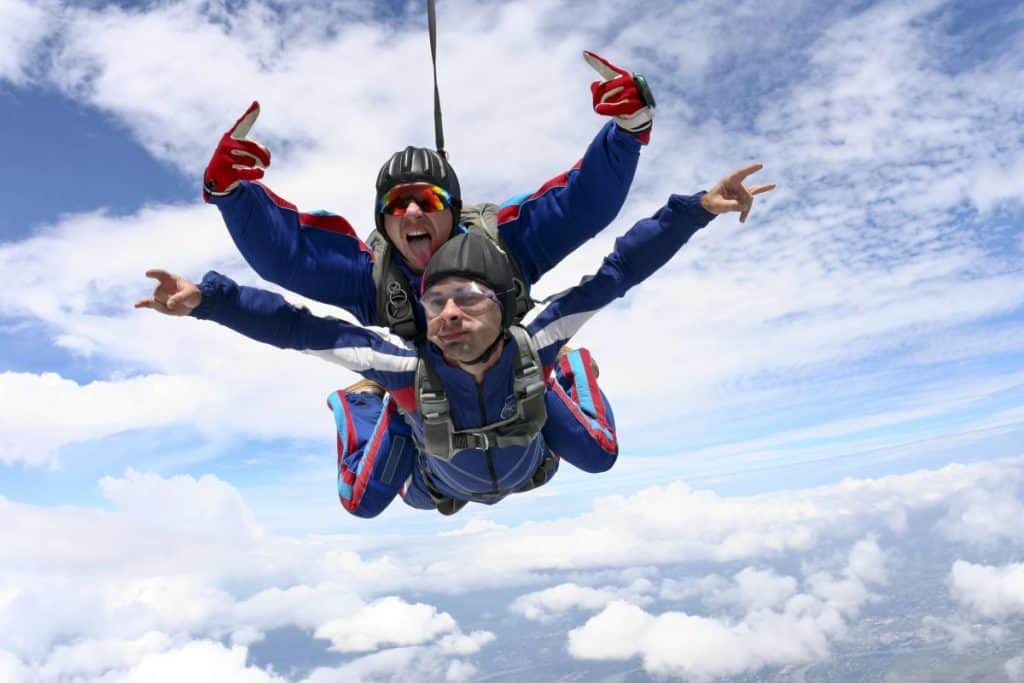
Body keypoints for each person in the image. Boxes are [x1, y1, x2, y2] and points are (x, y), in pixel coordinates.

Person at [138, 165, 775, 517]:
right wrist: (209, 303)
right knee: (362, 504)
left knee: (602, 457)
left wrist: (692, 210)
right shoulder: (397, 365)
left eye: (468, 299)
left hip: (525, 448)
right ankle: (362, 407)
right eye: (436, 302)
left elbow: (617, 274)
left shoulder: (540, 339)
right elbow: (297, 329)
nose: (449, 313)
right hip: (443, 471)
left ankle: (573, 376)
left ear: (501, 306)